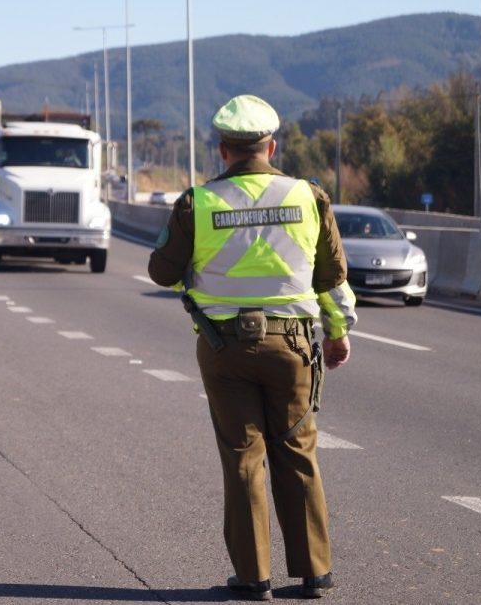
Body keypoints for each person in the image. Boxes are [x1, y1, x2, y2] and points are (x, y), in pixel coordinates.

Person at [148, 95, 357, 601]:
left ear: (222, 149)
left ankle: (254, 577)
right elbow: (331, 277)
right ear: (272, 146)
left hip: (224, 347)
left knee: (243, 458)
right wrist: (337, 331)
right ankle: (313, 572)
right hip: (292, 346)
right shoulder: (308, 197)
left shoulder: (197, 204)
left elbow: (161, 272)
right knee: (297, 451)